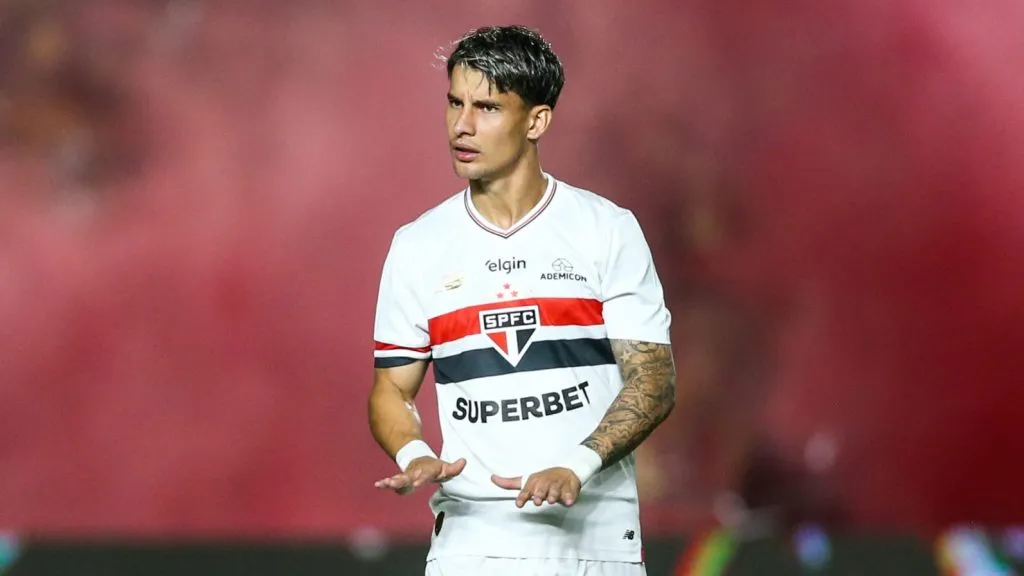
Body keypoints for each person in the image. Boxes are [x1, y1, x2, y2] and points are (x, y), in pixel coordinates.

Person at [368, 25, 676, 576]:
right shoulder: (417, 246)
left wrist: (576, 465)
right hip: (471, 545)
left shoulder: (605, 230)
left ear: (536, 121)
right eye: (455, 103)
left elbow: (654, 379)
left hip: (596, 543)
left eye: (487, 107)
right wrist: (414, 454)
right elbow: (391, 388)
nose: (462, 125)